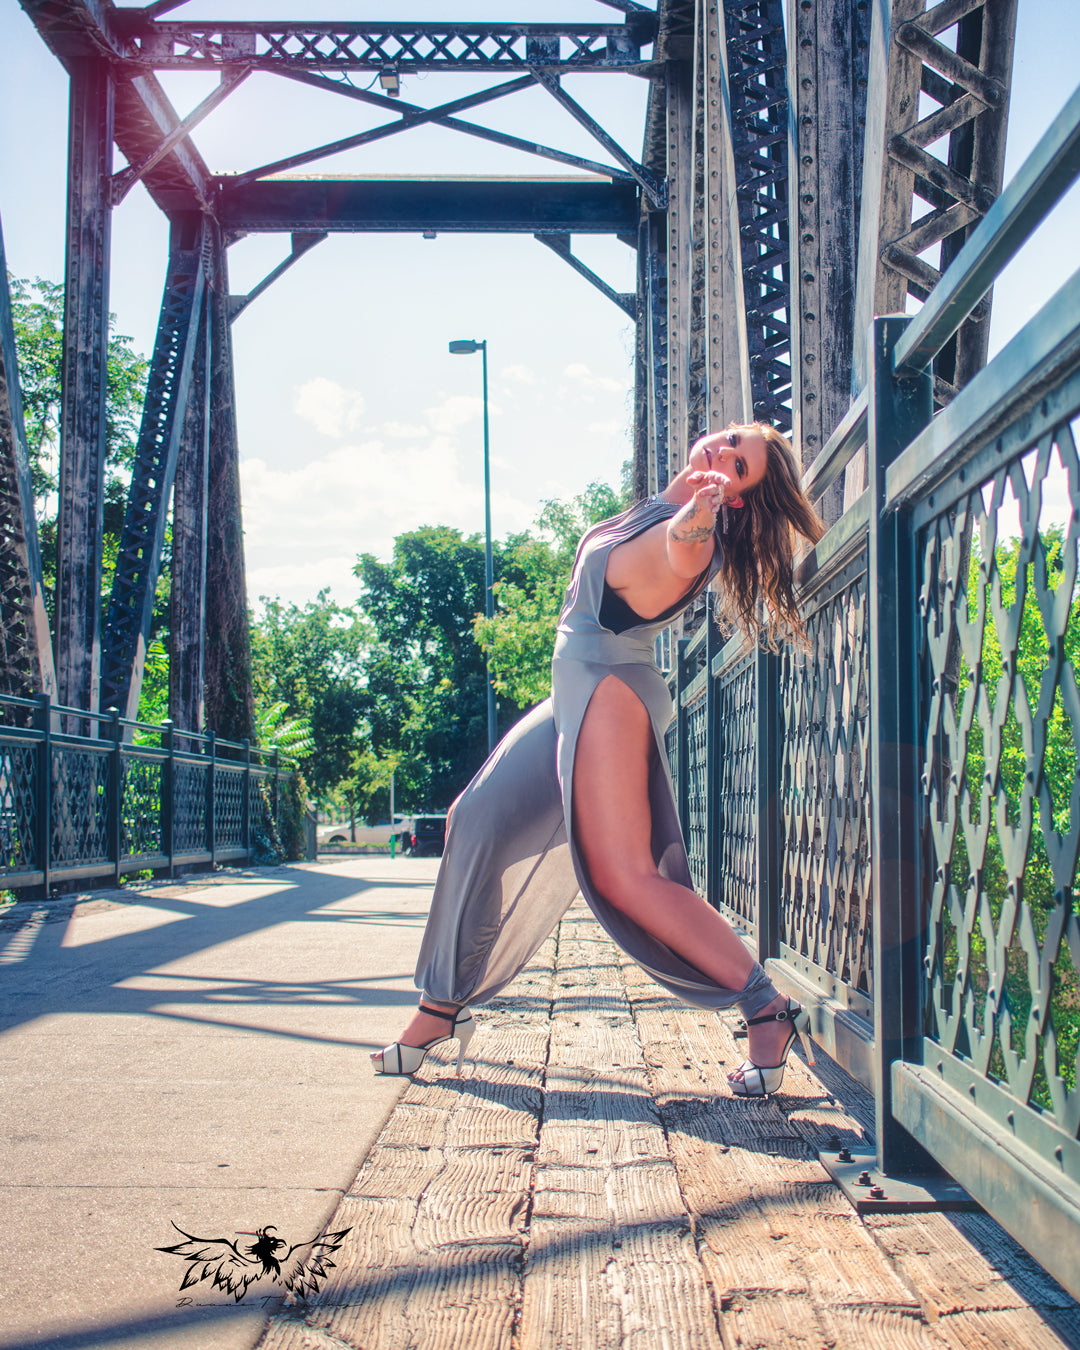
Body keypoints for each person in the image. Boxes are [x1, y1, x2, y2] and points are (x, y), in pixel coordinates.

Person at [372, 424, 825, 1096]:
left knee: (625, 878)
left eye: (738, 467)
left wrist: (698, 517)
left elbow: (679, 550)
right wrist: (688, 506)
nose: (722, 454)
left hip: (608, 692)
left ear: (735, 499)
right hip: (577, 686)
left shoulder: (692, 532)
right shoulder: (657, 505)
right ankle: (442, 1005)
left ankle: (766, 1008)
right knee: (477, 814)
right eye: (731, 439)